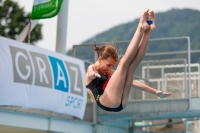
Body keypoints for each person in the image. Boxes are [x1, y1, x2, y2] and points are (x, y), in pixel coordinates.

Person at [85, 9, 172, 112]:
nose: (110, 68)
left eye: (112, 66)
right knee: (123, 64)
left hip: (121, 104)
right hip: (106, 102)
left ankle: (147, 32)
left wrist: (155, 92)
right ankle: (140, 28)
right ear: (100, 59)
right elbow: (90, 72)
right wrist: (94, 74)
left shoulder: (108, 72)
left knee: (131, 67)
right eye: (108, 65)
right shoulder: (92, 68)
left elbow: (133, 83)